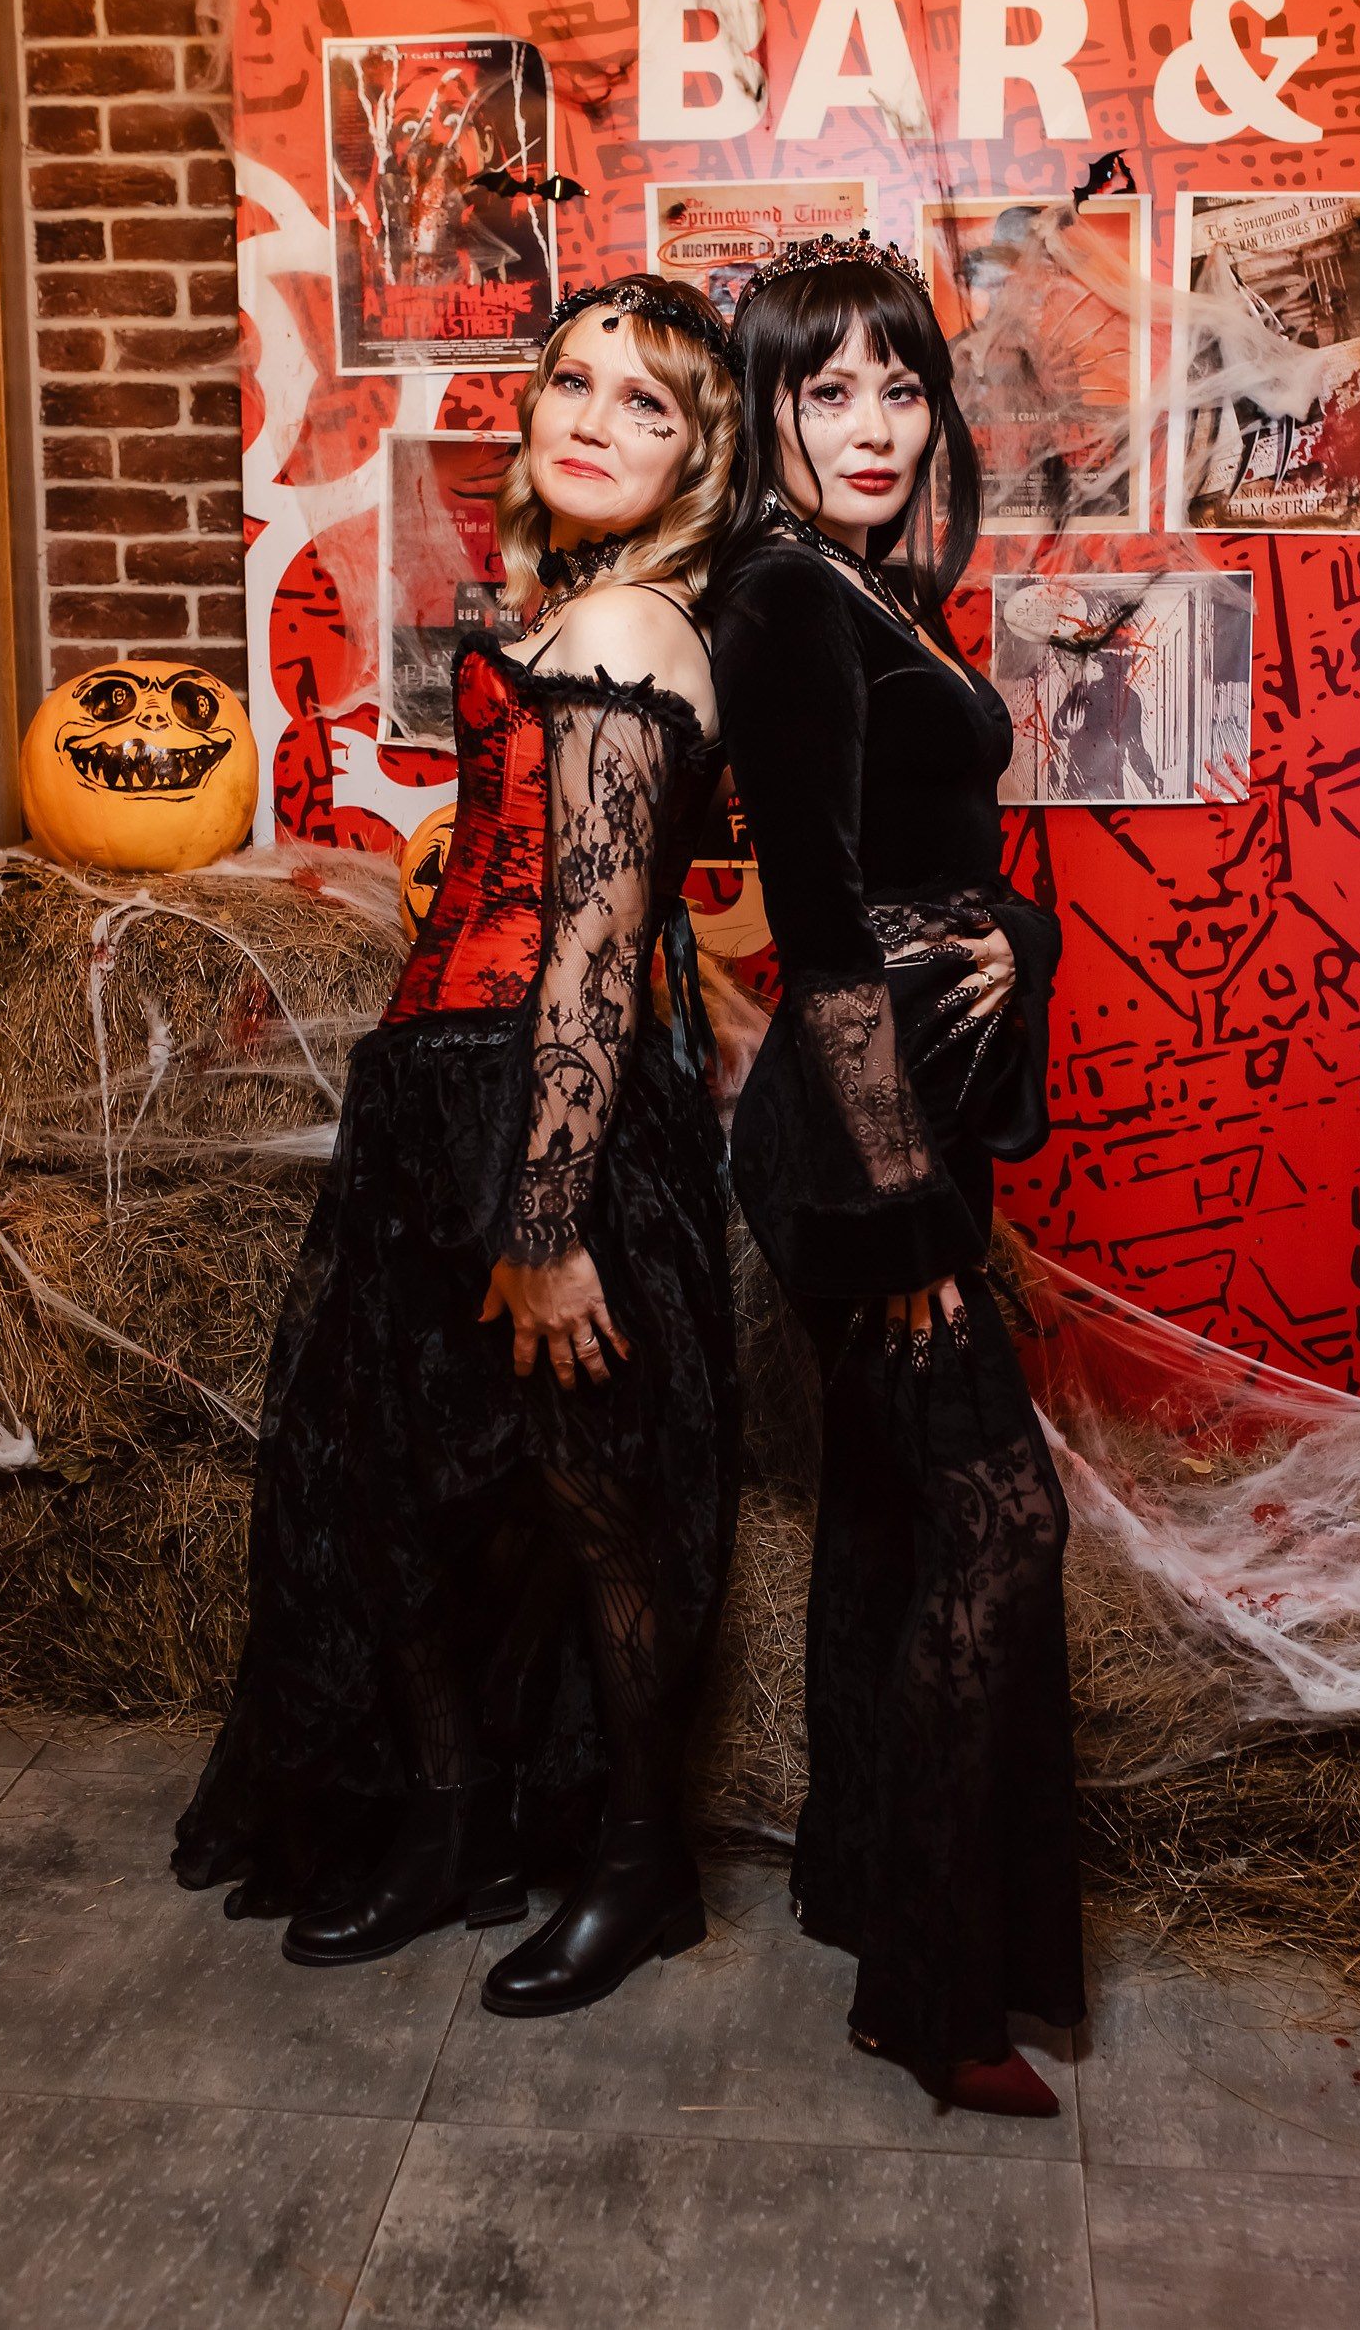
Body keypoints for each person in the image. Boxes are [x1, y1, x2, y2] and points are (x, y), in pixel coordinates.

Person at [174, 275, 741, 2019]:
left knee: (595, 1500)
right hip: (440, 1099)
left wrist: (547, 1219)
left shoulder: (633, 627)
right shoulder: (574, 611)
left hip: (542, 1113)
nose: (593, 418)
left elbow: (592, 947)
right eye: (573, 381)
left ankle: (640, 1866)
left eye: (648, 402)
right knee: (401, 1483)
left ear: (699, 456)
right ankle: (450, 1829)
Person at [710, 234, 1085, 2118]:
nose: (873, 423)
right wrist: (906, 1211)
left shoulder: (873, 588)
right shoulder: (784, 599)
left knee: (887, 1520)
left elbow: (932, 858)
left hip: (916, 1112)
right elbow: (822, 932)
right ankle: (930, 2000)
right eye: (824, 389)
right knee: (1005, 1519)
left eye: (902, 384)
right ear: (766, 414)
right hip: (868, 1139)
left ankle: (868, 1891)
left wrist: (1016, 929)